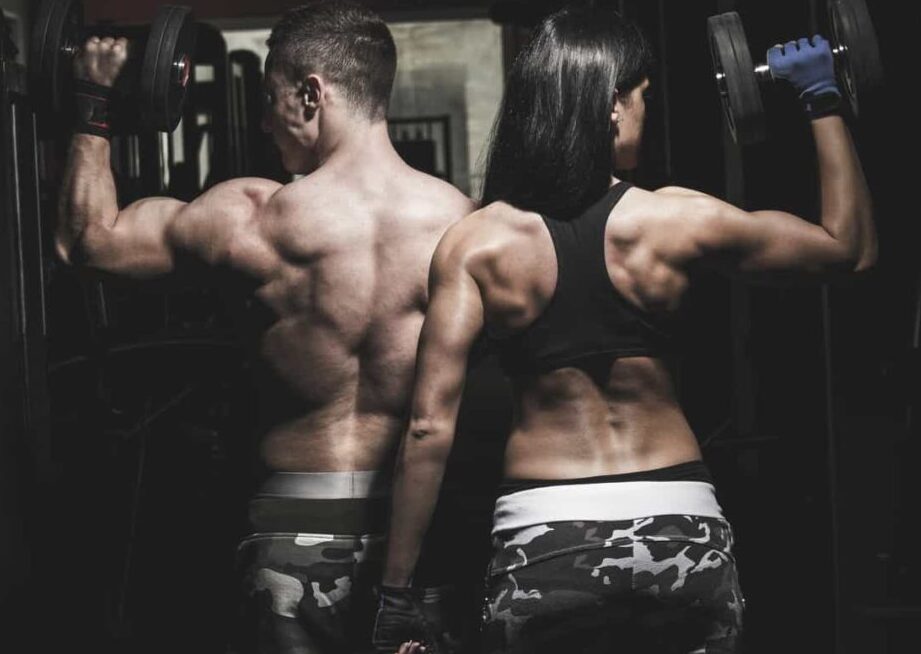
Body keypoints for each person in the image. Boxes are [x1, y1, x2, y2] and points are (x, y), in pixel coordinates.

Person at [374, 6, 875, 654]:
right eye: (643, 97)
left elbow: (427, 428)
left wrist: (397, 594)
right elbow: (848, 250)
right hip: (677, 530)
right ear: (612, 104)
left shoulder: (476, 244)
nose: (646, 112)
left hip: (545, 535)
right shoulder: (675, 220)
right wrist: (820, 96)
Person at [54, 2, 474, 653]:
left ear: (312, 94)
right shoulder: (465, 225)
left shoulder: (252, 218)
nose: (262, 121)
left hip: (292, 531)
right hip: (419, 538)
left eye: (270, 98)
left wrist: (93, 100)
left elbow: (88, 242)